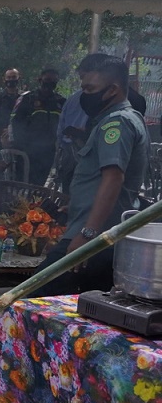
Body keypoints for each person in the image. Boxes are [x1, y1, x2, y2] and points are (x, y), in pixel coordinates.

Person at [33, 54, 149, 297]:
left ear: (113, 90)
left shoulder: (116, 124)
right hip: (96, 232)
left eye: (90, 88)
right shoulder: (119, 120)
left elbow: (113, 178)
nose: (84, 94)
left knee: (28, 300)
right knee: (83, 309)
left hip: (92, 238)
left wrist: (88, 235)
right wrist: (76, 204)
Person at [10, 68, 66, 185]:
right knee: (22, 185)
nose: (50, 83)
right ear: (40, 80)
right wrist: (20, 147)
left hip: (48, 152)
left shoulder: (61, 101)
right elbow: (15, 123)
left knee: (39, 187)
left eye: (54, 81)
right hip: (26, 152)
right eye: (47, 79)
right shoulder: (28, 98)